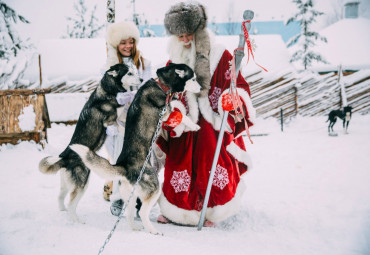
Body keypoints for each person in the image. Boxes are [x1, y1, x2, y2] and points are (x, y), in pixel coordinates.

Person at [155, 2, 256, 227]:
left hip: (212, 127)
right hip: (184, 126)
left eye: (188, 33)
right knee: (178, 166)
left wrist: (233, 99)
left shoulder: (221, 55)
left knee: (210, 164)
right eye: (179, 35)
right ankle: (176, 211)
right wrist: (173, 110)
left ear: (198, 31)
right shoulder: (173, 61)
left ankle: (211, 213)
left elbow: (236, 84)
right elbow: (168, 93)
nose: (184, 39)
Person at [102, 21, 151, 214]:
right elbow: (104, 94)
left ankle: (138, 198)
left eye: (131, 42)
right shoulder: (109, 66)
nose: (128, 46)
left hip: (138, 120)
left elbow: (148, 88)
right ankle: (118, 199)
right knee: (117, 159)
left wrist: (137, 96)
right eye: (123, 42)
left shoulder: (144, 63)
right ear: (116, 44)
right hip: (118, 121)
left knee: (139, 160)